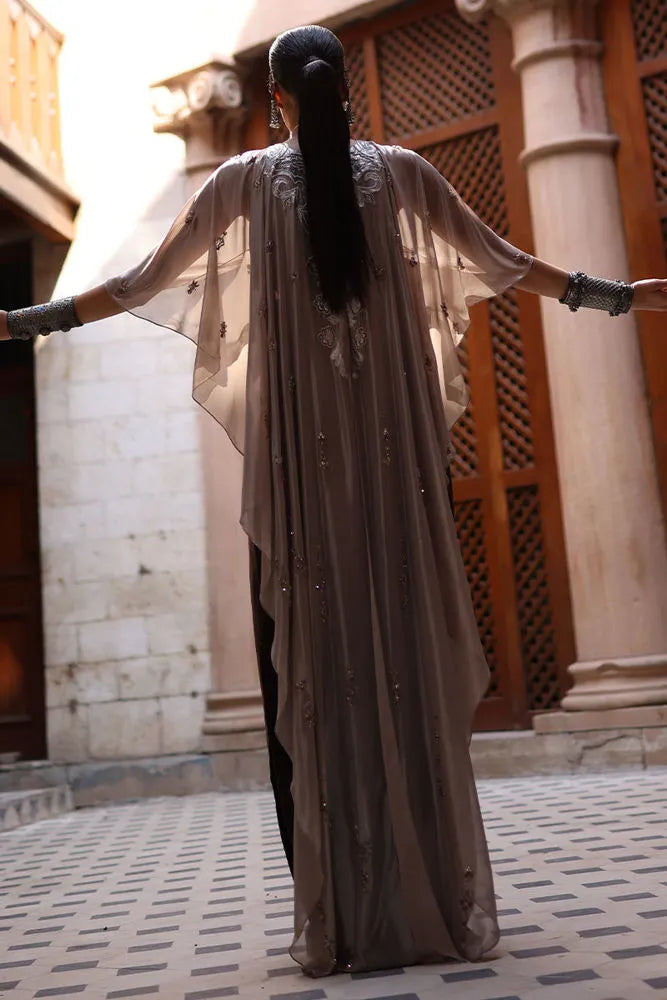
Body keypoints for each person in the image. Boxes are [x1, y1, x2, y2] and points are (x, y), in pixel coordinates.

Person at [2, 22, 666, 981]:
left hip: (301, 483)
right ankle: (434, 894)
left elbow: (137, 282)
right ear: (340, 87)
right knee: (402, 651)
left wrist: (23, 321)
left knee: (319, 668)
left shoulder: (238, 182)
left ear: (275, 96)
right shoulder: (404, 173)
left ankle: (348, 913)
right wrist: (620, 296)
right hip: (395, 478)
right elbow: (507, 262)